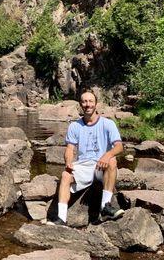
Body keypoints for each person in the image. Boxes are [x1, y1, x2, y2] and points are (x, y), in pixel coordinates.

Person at [47, 90, 124, 225]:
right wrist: (69, 162)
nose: (87, 105)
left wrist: (107, 155)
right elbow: (70, 149)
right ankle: (62, 218)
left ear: (96, 104)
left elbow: (119, 147)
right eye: (84, 102)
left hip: (101, 167)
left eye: (90, 101)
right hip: (84, 165)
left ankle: (105, 207)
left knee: (112, 160)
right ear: (80, 105)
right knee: (65, 175)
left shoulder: (108, 124)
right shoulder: (74, 126)